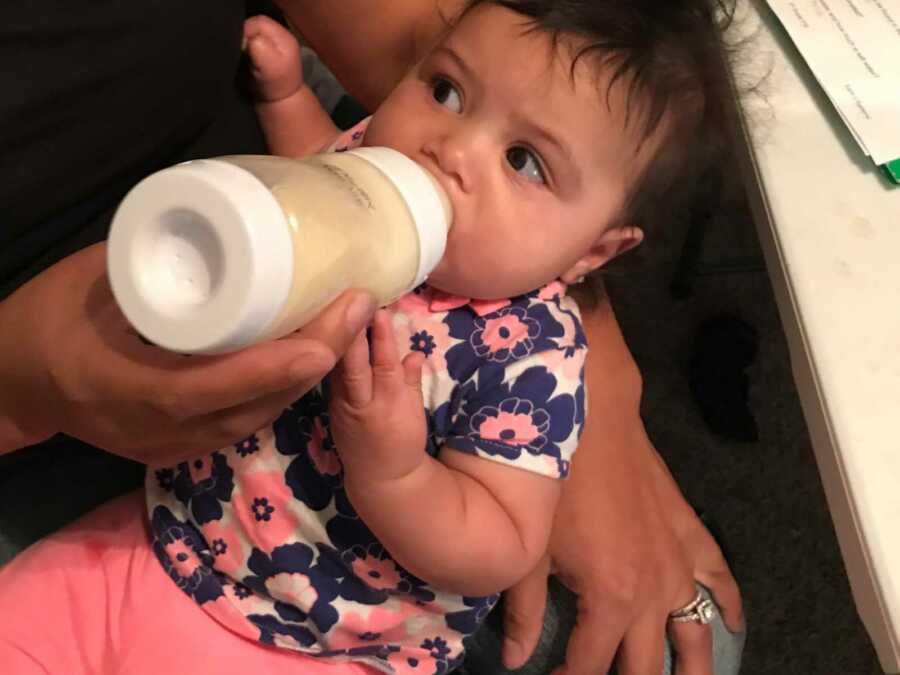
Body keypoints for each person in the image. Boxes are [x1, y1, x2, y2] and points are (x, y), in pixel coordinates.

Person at [0, 1, 743, 674]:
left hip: (324, 632)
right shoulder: (371, 173)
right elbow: (319, 164)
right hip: (171, 527)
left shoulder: (527, 360)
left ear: (593, 254)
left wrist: (395, 474)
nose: (449, 150)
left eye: (524, 161)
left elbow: (502, 540)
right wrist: (288, 98)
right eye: (446, 90)